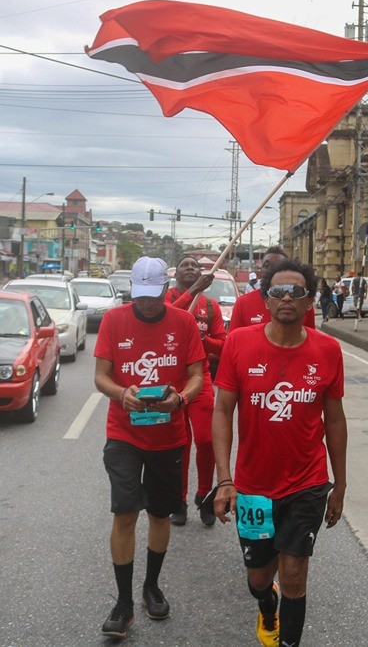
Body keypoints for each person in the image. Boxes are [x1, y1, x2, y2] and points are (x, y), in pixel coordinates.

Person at [212, 258, 347, 647]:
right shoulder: (239, 343)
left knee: (294, 576)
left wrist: (339, 485)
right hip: (254, 486)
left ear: (309, 302)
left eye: (296, 292)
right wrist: (225, 480)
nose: (287, 298)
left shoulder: (328, 350)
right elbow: (222, 411)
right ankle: (266, 604)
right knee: (259, 577)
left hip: (307, 482)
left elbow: (335, 421)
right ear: (266, 300)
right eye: (278, 292)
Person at [93, 256, 205, 640]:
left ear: (165, 289)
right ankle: (123, 603)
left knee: (159, 514)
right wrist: (121, 393)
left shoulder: (184, 322)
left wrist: (181, 399)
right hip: (123, 434)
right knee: (125, 513)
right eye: (140, 296)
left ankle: (151, 587)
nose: (146, 303)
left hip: (168, 436)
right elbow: (100, 376)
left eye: (153, 296)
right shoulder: (114, 320)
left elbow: (196, 375)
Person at [164, 255, 227, 527]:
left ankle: (204, 495)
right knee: (180, 444)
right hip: (172, 378)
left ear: (202, 273)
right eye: (184, 265)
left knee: (206, 440)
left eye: (194, 266)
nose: (190, 268)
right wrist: (193, 291)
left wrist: (203, 339)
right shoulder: (166, 298)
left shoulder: (210, 306)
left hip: (200, 377)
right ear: (175, 273)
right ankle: (178, 500)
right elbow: (167, 319)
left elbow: (222, 344)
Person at [229, 246, 315, 332]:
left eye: (278, 265)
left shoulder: (302, 302)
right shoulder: (243, 303)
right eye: (266, 265)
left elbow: (310, 336)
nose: (272, 269)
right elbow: (234, 337)